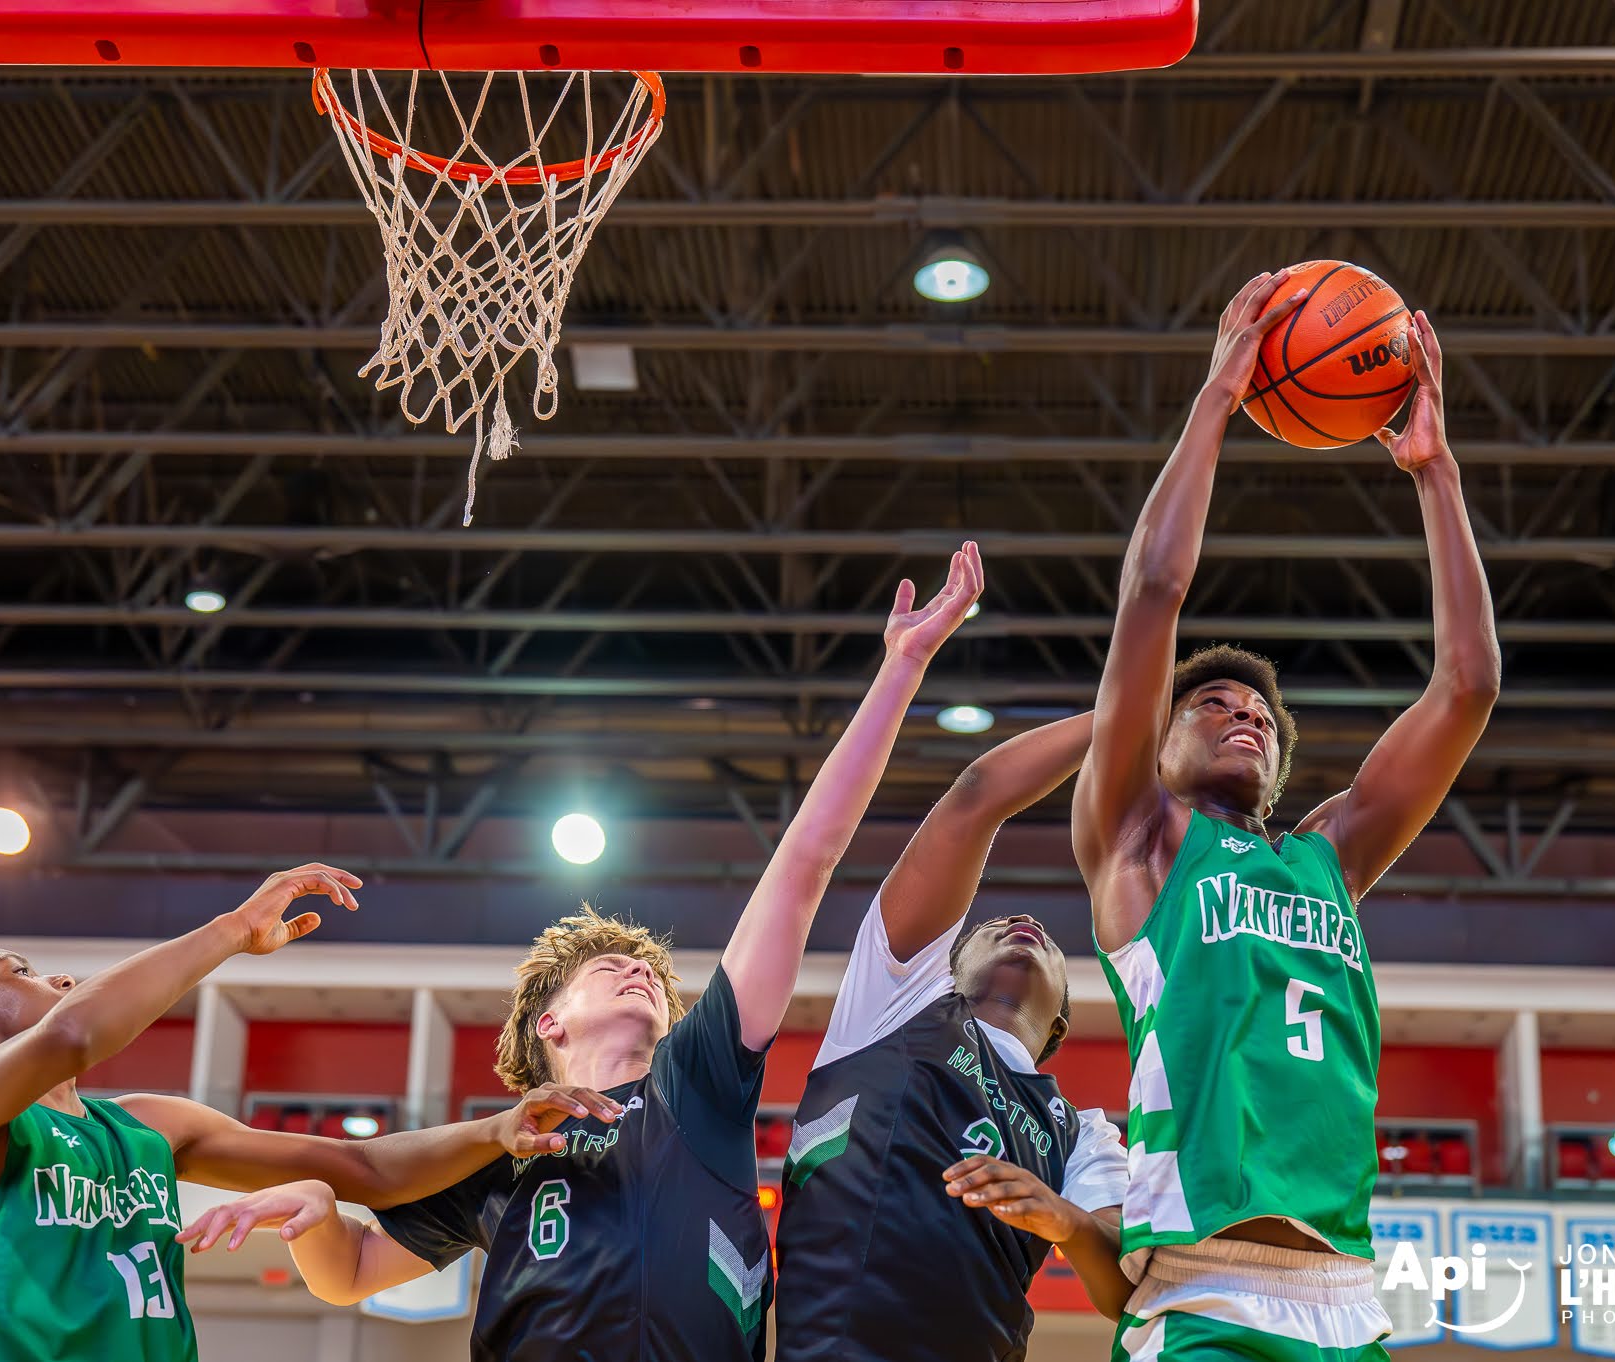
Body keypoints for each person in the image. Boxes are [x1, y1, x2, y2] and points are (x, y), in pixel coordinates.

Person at [184, 543, 987, 1362]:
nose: (640, 969)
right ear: (549, 1024)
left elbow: (805, 863)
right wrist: (316, 1212)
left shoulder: (696, 1082)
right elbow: (348, 1273)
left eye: (649, 974)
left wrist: (901, 668)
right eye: (608, 968)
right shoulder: (499, 1148)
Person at [1071, 276, 1500, 1362]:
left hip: (1345, 1298)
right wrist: (1218, 395)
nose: (1240, 715)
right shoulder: (1139, 842)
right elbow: (1151, 596)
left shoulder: (1326, 857)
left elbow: (1467, 685)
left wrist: (1434, 474)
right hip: (1202, 1292)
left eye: (1258, 712)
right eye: (1209, 704)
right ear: (1155, 752)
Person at [0, 863, 622, 1362]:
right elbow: (73, 1036)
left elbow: (363, 1170)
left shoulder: (149, 1127)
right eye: (23, 970)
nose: (60, 981)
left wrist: (494, 1131)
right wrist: (231, 929)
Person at [774, 712, 1133, 1362]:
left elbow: (1122, 1286)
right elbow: (976, 795)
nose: (1024, 922)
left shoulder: (1083, 1134)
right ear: (950, 968)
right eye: (990, 926)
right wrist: (1128, 711)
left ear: (1060, 1025)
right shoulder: (895, 1002)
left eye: (1047, 941)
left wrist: (1066, 1220)